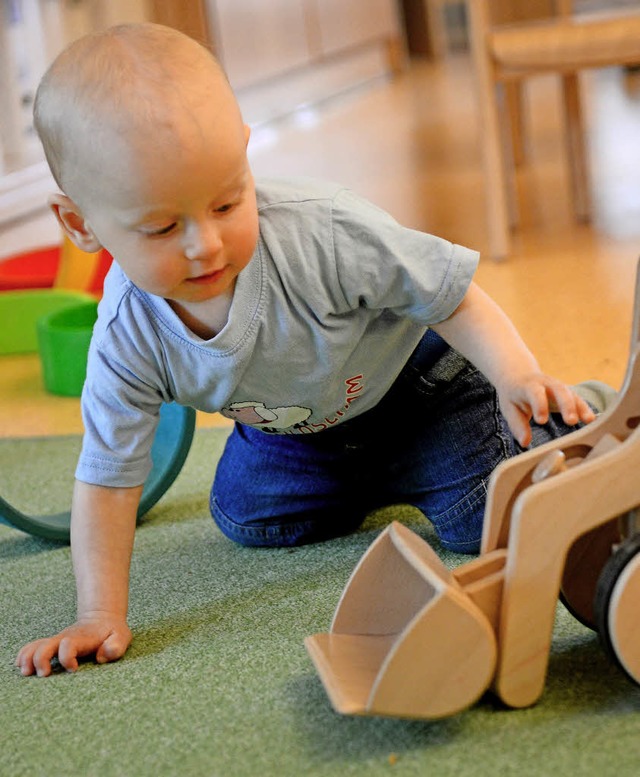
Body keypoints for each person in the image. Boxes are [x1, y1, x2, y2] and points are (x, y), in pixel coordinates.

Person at [16, 23, 603, 678]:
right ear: (81, 224)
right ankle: (379, 479)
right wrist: (100, 611)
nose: (204, 244)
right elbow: (107, 474)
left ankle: (568, 414)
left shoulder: (321, 229)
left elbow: (449, 293)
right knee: (243, 514)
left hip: (420, 393)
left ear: (244, 152)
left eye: (226, 200)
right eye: (160, 226)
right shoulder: (126, 331)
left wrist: (516, 373)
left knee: (485, 521)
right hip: (298, 435)